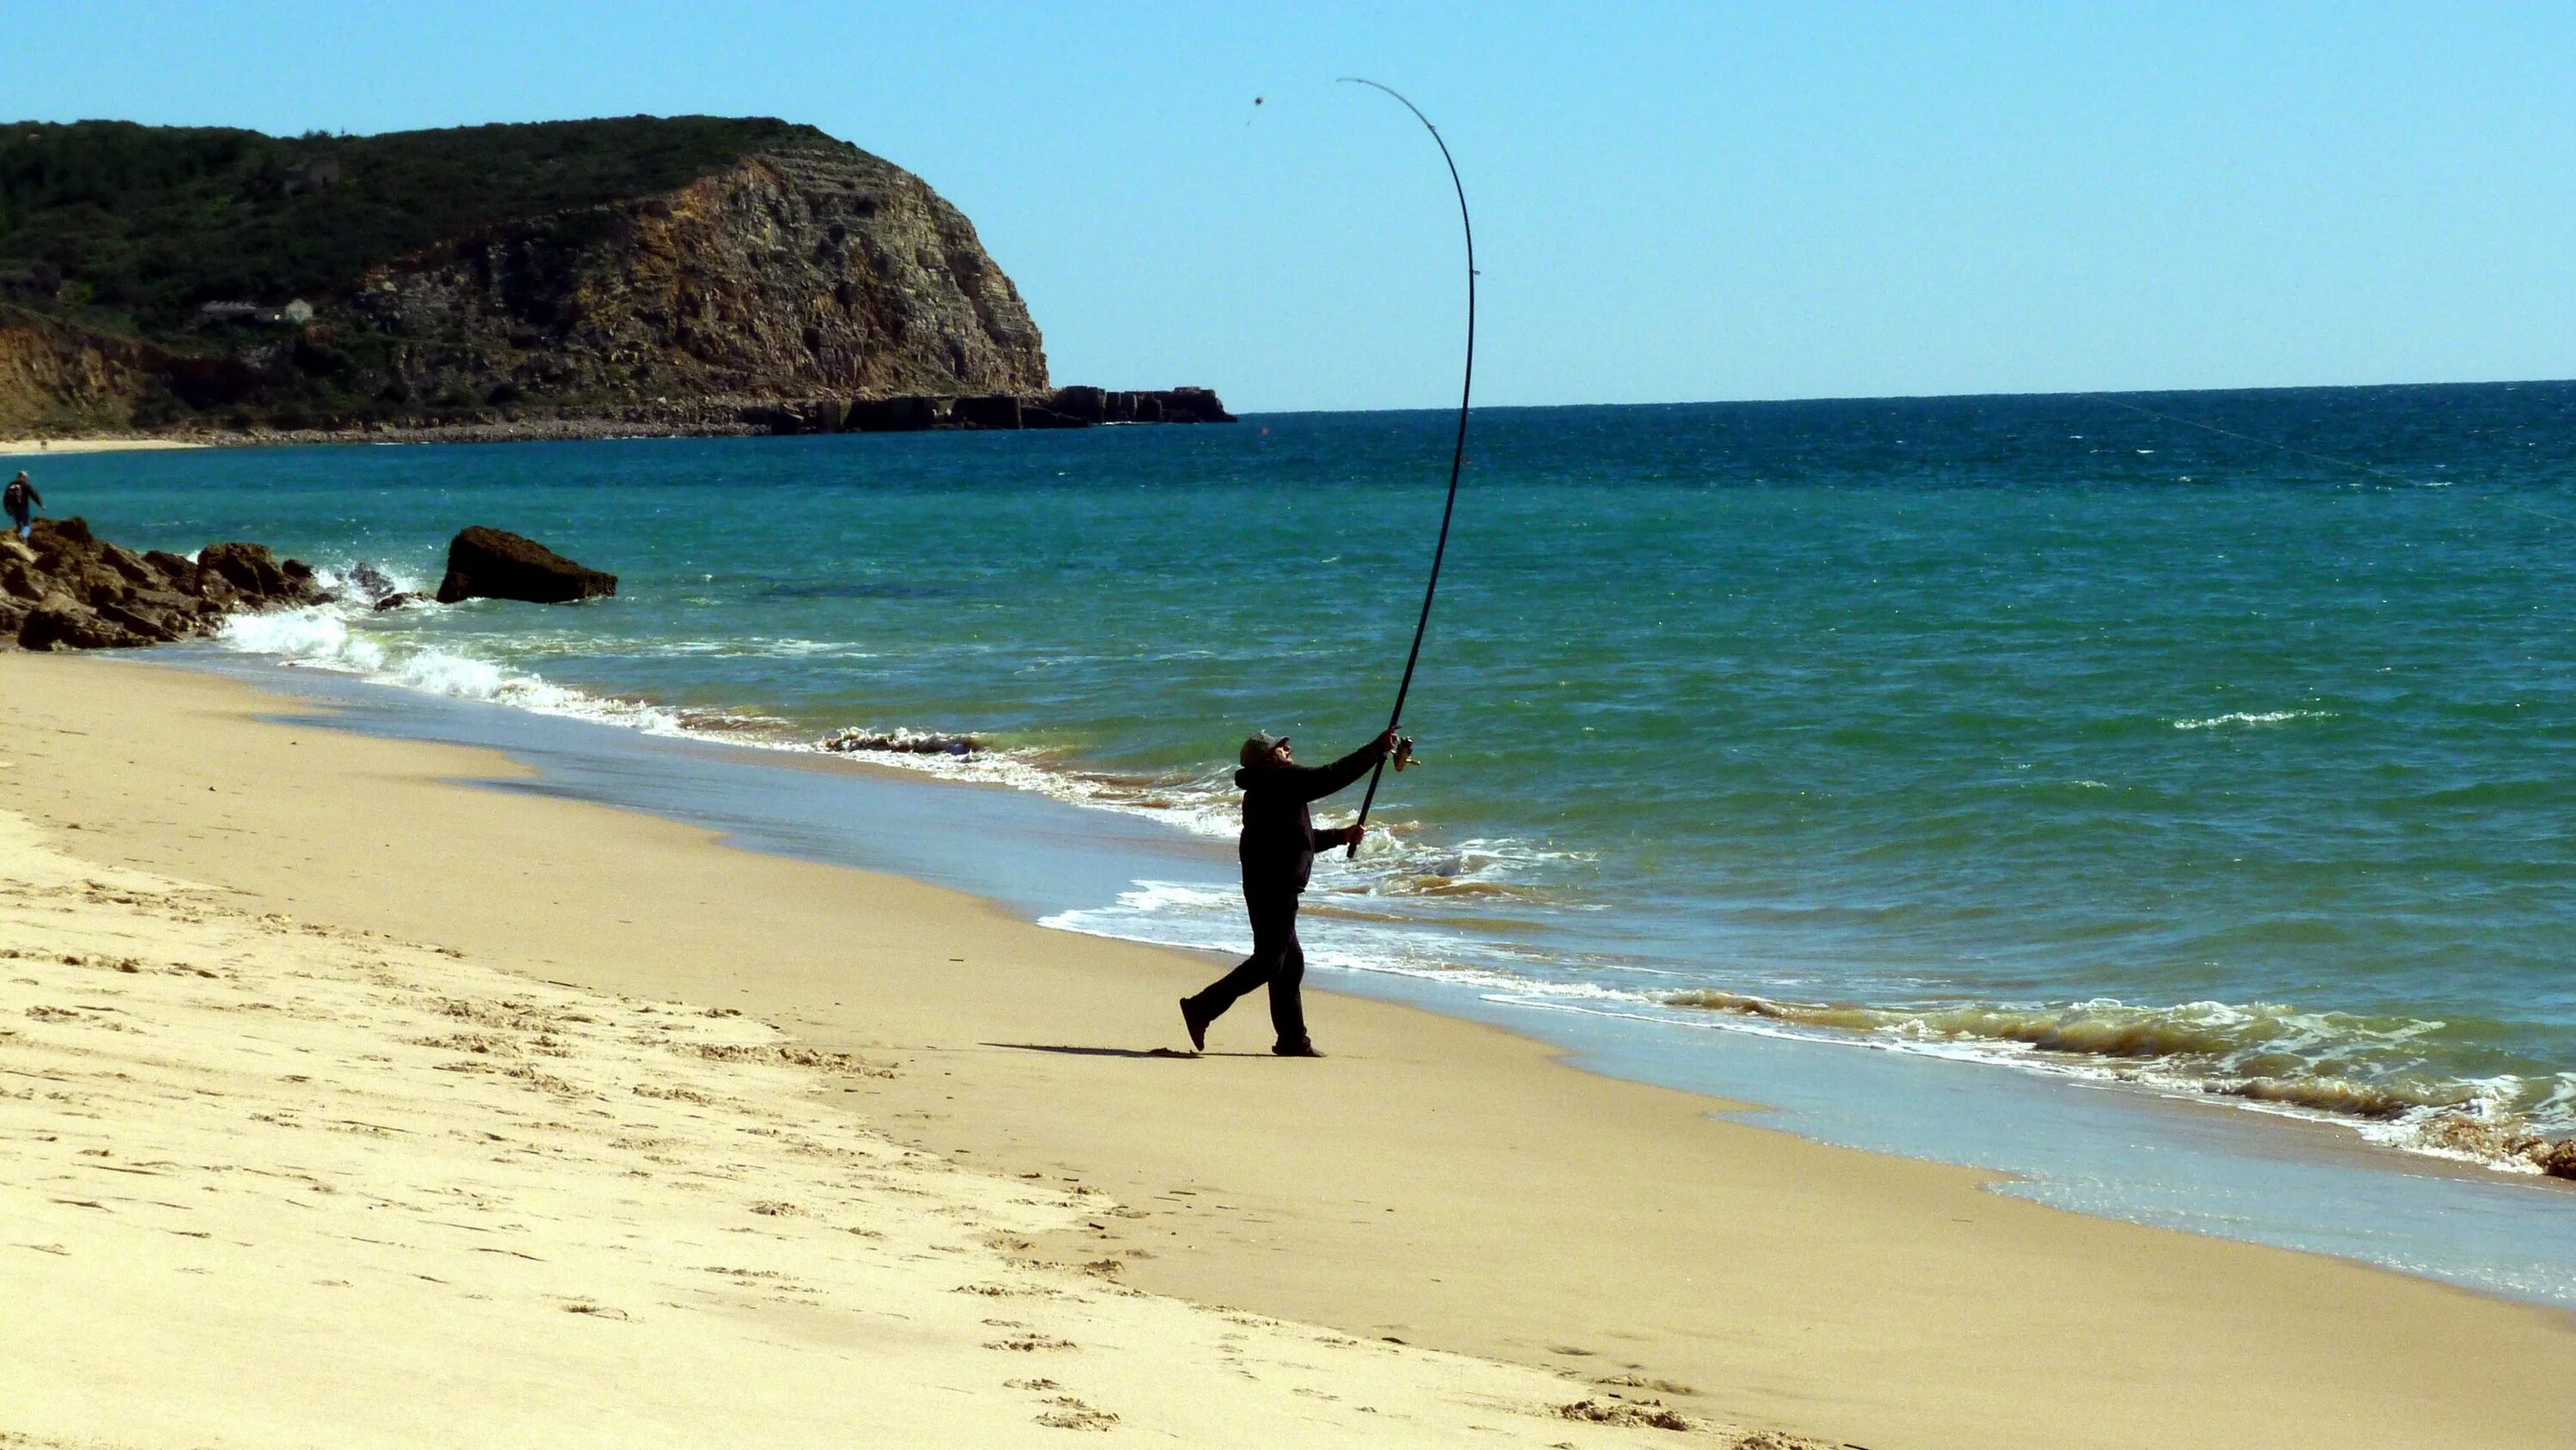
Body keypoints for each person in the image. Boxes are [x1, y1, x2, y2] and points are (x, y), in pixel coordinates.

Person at [1181, 726, 1399, 1057]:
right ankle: (1201, 1008)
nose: (1288, 748)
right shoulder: (1276, 780)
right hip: (1274, 884)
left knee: (1288, 963)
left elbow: (1297, 837)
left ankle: (1292, 1040)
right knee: (1271, 962)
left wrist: (1341, 836)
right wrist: (1375, 750)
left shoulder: (1269, 786)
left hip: (1269, 883)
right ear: (1267, 759)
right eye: (1281, 748)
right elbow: (1330, 777)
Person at [3, 472, 38, 541]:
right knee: (27, 524)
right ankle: (23, 537)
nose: (26, 478)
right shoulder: (25, 485)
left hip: (13, 507)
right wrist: (40, 504)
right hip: (23, 506)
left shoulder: (11, 485)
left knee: (19, 523)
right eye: (25, 477)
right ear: (21, 477)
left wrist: (7, 508)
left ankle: (22, 540)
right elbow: (33, 495)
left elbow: (6, 497)